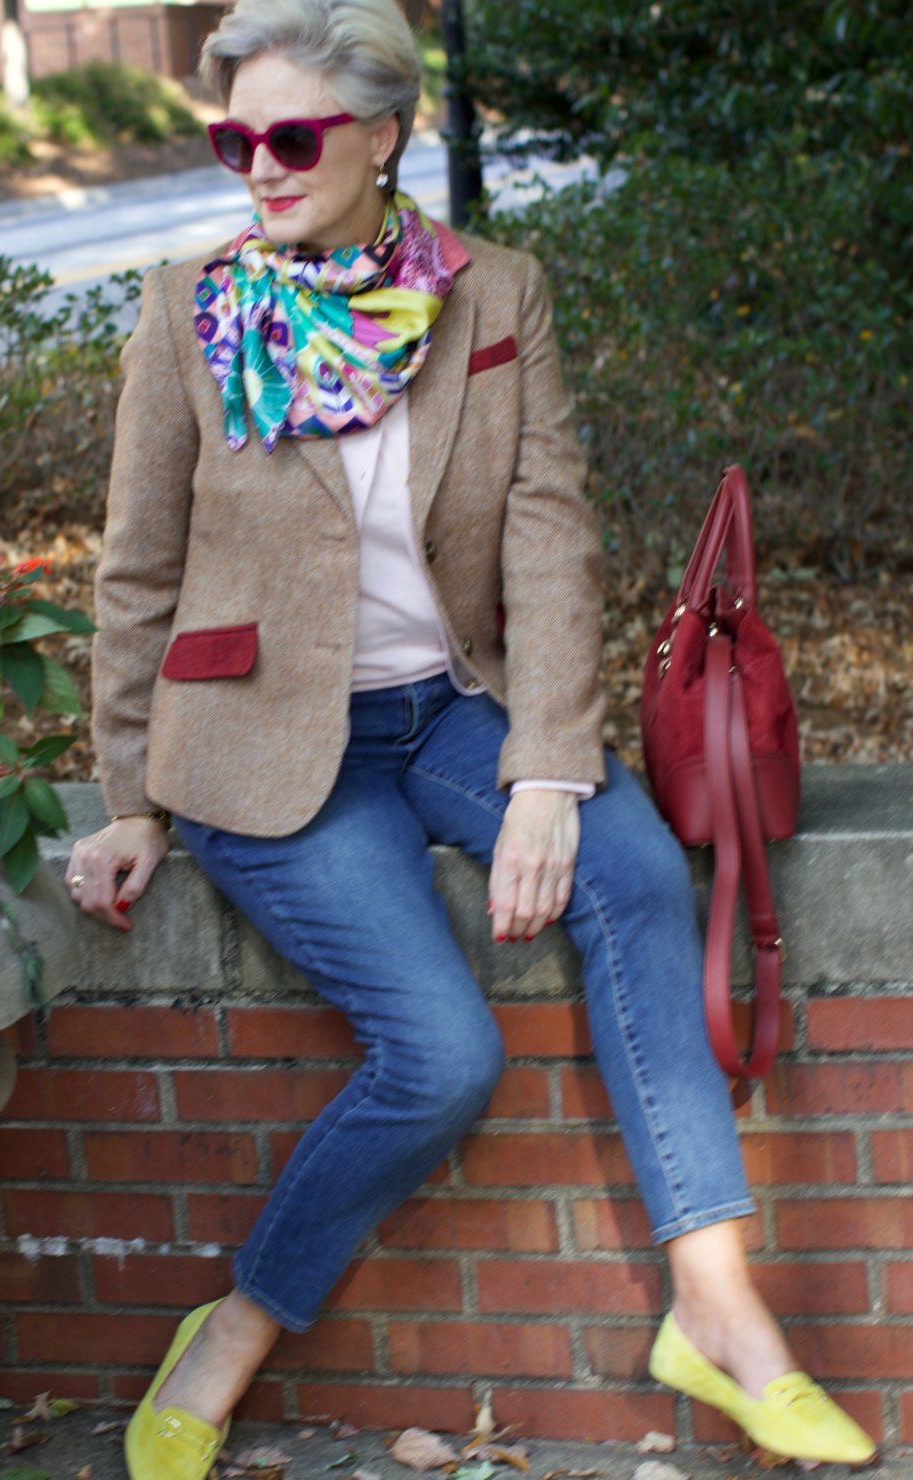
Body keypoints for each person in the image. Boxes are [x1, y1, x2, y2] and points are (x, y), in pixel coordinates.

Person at [66, 2, 875, 1476]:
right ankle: (237, 1325)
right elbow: (135, 571)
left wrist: (549, 773)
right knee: (442, 1055)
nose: (258, 164)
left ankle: (716, 1310)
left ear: (384, 137)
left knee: (632, 873)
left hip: (452, 708)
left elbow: (550, 543)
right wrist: (130, 798)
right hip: (262, 747)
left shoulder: (494, 295)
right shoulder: (189, 310)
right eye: (234, 137)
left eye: (291, 135)